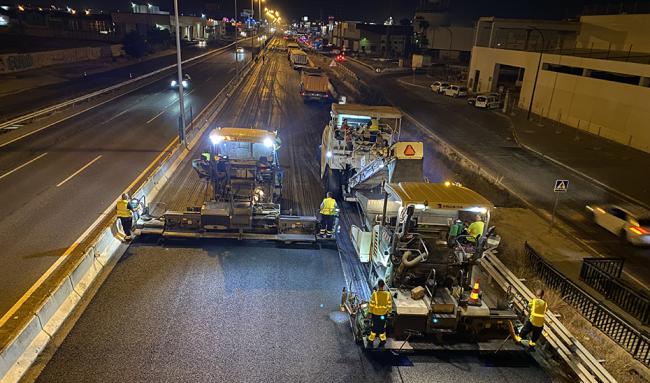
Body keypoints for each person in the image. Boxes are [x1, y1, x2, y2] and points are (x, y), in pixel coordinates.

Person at [367, 279, 392, 348]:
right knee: (382, 326)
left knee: (374, 326)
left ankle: (371, 340)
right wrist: (389, 312)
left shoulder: (374, 294)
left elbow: (371, 305)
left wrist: (369, 313)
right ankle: (383, 340)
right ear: (384, 285)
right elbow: (389, 305)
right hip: (383, 314)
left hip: (375, 314)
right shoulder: (388, 294)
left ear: (378, 285)